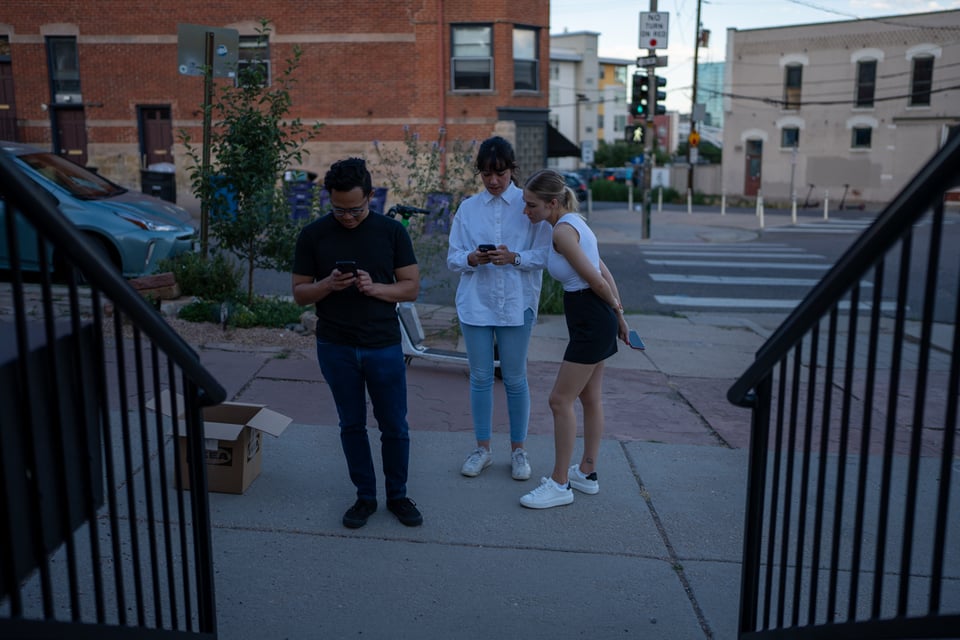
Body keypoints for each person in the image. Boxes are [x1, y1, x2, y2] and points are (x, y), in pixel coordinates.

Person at [292, 157, 423, 529]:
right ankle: (365, 496)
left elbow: (411, 287)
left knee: (394, 425)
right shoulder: (314, 234)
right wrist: (326, 286)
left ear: (371, 196)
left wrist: (375, 287)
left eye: (356, 209)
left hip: (382, 344)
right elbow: (300, 293)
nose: (347, 216)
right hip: (336, 345)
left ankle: (397, 495)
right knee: (351, 424)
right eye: (338, 209)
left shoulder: (392, 232)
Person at [517, 168, 630, 509]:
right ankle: (587, 473)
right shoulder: (575, 223)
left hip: (590, 316)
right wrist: (619, 315)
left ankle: (560, 483)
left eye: (531, 205)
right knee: (590, 397)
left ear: (552, 203)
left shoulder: (564, 232)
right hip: (596, 316)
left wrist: (613, 309)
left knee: (558, 400)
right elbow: (603, 268)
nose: (526, 212)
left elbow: (596, 278)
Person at [446, 136, 552, 481]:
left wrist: (514, 257)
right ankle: (482, 449)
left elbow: (545, 254)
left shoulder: (529, 204)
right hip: (476, 302)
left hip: (517, 302)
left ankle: (519, 451)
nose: (493, 181)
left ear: (512, 169)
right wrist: (472, 258)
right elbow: (453, 257)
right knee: (479, 378)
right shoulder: (468, 208)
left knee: (516, 377)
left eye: (500, 173)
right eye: (486, 174)